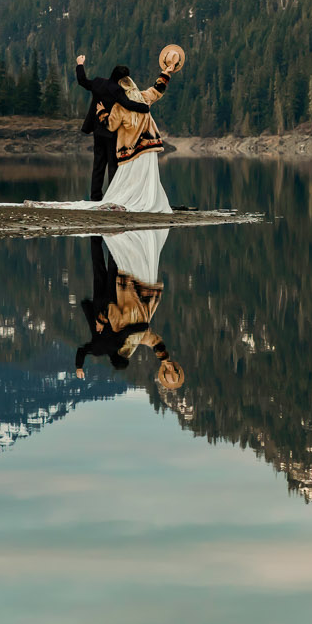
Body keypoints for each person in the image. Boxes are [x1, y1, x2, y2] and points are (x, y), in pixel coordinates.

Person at [74, 236, 184, 390]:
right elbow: (83, 349)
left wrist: (164, 359)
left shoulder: (132, 338)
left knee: (112, 264)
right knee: (100, 264)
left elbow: (153, 340)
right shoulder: (107, 346)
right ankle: (100, 234)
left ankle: (111, 235)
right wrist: (79, 366)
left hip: (123, 294)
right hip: (106, 300)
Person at [100, 61, 176, 213]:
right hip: (149, 147)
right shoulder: (143, 98)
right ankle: (146, 201)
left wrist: (101, 113)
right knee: (147, 178)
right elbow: (158, 89)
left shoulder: (119, 107)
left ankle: (133, 202)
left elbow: (111, 126)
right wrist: (166, 72)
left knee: (130, 180)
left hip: (130, 150)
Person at [74, 55, 147, 200]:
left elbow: (82, 81)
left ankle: (95, 196)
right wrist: (144, 107)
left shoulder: (98, 83)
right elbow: (128, 104)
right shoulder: (118, 91)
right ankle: (113, 196)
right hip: (111, 131)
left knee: (98, 164)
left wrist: (80, 64)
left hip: (97, 130)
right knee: (113, 165)